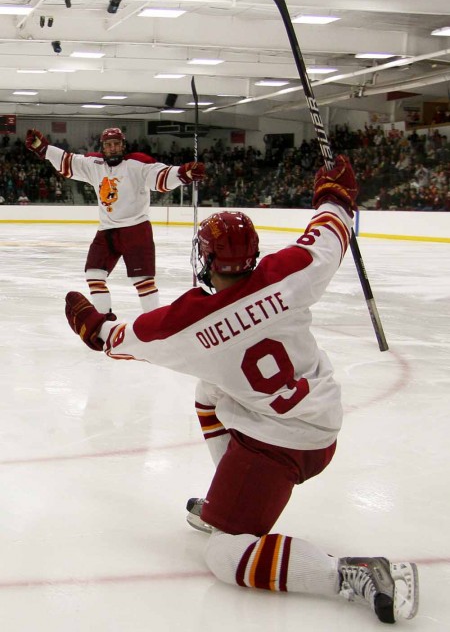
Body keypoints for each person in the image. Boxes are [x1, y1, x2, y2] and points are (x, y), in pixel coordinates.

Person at [64, 155, 418, 625]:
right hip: (321, 421)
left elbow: (116, 340)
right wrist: (333, 195)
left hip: (282, 447)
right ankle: (224, 499)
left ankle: (353, 574)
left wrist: (95, 328)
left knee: (227, 557)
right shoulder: (287, 272)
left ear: (205, 260)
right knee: (207, 390)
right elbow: (329, 235)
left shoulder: (184, 325)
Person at [25, 127, 205, 314]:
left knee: (142, 280)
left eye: (116, 144)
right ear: (103, 147)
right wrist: (44, 149)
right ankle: (105, 319)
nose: (112, 148)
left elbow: (160, 176)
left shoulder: (137, 163)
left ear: (123, 146)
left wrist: (185, 174)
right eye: (108, 145)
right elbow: (68, 162)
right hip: (107, 231)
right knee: (94, 275)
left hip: (136, 230)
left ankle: (153, 321)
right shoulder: (94, 164)